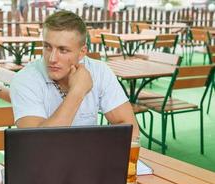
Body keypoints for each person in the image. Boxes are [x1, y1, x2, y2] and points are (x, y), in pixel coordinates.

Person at [10, 10, 139, 139]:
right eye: (47, 47)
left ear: (82, 52)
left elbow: (132, 132)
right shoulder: (24, 79)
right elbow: (37, 143)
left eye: (63, 50)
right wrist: (77, 92)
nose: (52, 58)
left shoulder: (99, 71)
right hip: (44, 159)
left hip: (89, 156)